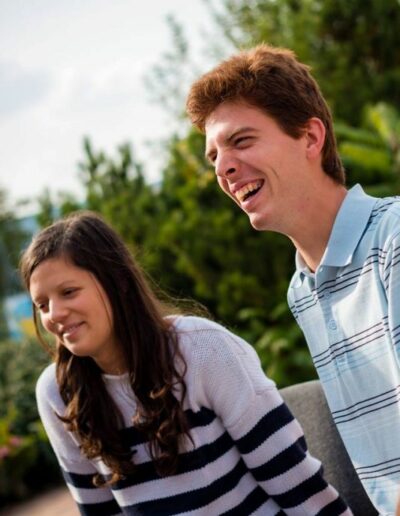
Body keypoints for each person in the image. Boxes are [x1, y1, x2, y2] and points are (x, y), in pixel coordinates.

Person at [20, 211, 351, 515]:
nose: (54, 314)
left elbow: (293, 479)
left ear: (116, 281)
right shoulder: (57, 392)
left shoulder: (201, 349)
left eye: (68, 292)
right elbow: (99, 512)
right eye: (42, 304)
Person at [186, 44, 400, 514]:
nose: (222, 167)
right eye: (214, 156)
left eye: (242, 141)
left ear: (310, 137)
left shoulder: (393, 239)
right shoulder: (303, 289)